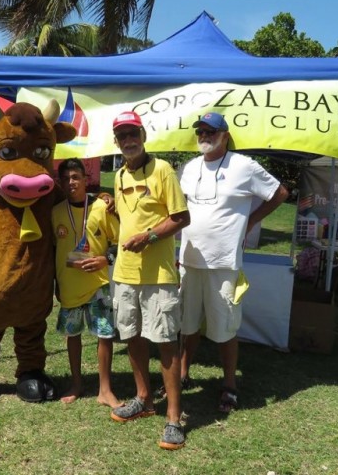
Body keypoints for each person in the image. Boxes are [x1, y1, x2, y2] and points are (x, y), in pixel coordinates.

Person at [178, 112, 289, 412]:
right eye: (200, 130)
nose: (204, 135)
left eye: (211, 131)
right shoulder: (187, 168)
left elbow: (280, 193)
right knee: (186, 325)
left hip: (224, 263)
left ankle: (229, 384)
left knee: (225, 328)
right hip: (188, 260)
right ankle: (183, 373)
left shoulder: (244, 166)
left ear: (225, 135)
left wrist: (251, 221)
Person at [110, 111, 190, 451]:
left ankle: (174, 418)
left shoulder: (163, 170)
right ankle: (143, 399)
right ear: (117, 141)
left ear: (143, 135)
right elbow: (131, 213)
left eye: (133, 134)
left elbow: (181, 217)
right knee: (132, 338)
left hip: (158, 276)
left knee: (166, 344)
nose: (128, 140)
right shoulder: (118, 174)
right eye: (122, 135)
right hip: (125, 274)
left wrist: (149, 237)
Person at [52, 158, 121, 407]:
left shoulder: (102, 208)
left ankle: (105, 390)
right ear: (60, 183)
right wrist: (55, 283)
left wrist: (105, 259)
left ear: (85, 179)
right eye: (66, 178)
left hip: (97, 284)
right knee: (73, 336)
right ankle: (77, 384)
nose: (71, 182)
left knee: (104, 334)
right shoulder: (56, 212)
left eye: (76, 177)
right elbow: (51, 249)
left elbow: (119, 242)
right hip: (69, 286)